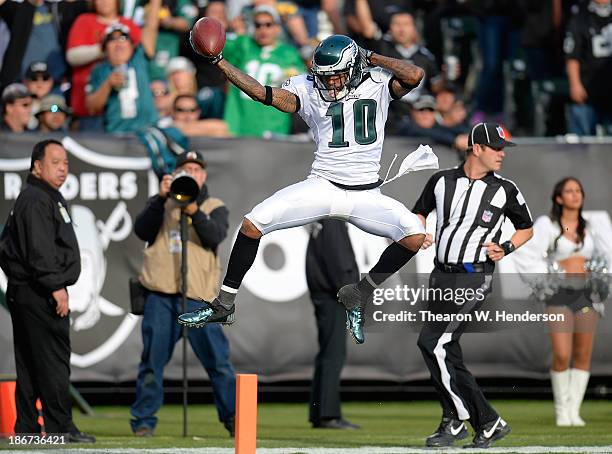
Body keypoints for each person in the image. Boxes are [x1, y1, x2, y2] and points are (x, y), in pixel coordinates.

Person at [178, 33, 427, 347]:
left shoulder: (377, 80)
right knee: (253, 224)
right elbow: (261, 93)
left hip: (366, 195)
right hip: (323, 186)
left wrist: (372, 56)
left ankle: (358, 295)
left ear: (353, 67)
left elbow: (415, 75)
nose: (330, 84)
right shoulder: (308, 88)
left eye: (337, 76)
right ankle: (224, 304)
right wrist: (219, 62)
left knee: (414, 235)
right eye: (325, 77)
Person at [412, 122, 534, 448]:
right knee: (443, 348)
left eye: (503, 148)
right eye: (496, 148)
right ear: (476, 148)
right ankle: (452, 422)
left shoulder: (505, 189)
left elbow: (526, 227)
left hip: (474, 275)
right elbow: (419, 213)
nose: (502, 154)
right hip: (442, 275)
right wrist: (420, 231)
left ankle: (487, 420)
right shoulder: (440, 181)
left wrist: (506, 247)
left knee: (434, 344)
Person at [130, 150, 237, 437]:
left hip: (200, 299)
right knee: (152, 363)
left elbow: (215, 235)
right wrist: (161, 198)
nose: (191, 173)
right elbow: (141, 230)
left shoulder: (214, 206)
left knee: (219, 363)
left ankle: (234, 419)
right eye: (185, 169)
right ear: (175, 175)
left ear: (203, 176)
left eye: (196, 169)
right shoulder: (161, 204)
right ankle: (143, 421)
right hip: (161, 296)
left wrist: (193, 210)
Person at [0, 140, 95, 443]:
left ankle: (27, 429)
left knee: (30, 362)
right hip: (39, 292)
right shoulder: (37, 198)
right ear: (37, 166)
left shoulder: (43, 196)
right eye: (55, 162)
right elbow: (39, 251)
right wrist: (55, 286)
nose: (63, 168)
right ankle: (60, 428)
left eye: (66, 162)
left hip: (27, 291)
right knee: (52, 360)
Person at [515, 177, 611, 426]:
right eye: (569, 191)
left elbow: (606, 256)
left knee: (582, 353)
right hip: (558, 294)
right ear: (559, 198)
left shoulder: (592, 226)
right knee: (562, 353)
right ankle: (561, 411)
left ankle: (573, 412)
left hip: (586, 294)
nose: (575, 195)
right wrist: (558, 268)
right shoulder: (548, 225)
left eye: (578, 190)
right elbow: (527, 256)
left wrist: (596, 273)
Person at [306, 220, 360, 430]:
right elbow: (340, 260)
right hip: (333, 295)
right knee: (334, 355)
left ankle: (319, 412)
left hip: (323, 293)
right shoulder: (333, 221)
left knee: (326, 354)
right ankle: (328, 414)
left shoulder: (321, 220)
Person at [222, 5, 306, 137]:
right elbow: (217, 48)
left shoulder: (289, 53)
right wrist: (234, 28)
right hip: (240, 121)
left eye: (268, 24)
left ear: (277, 27)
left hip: (274, 123)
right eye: (258, 25)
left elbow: (301, 88)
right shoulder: (244, 45)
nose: (263, 29)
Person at [65, 0, 142, 131]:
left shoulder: (128, 24)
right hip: (88, 109)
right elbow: (72, 56)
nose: (104, 2)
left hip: (124, 112)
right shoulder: (84, 21)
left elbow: (139, 51)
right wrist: (103, 50)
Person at [85, 17, 160, 133]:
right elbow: (92, 107)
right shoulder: (99, 70)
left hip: (148, 130)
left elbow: (151, 27)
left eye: (123, 38)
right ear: (105, 48)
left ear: (131, 45)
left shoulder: (140, 59)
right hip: (116, 135)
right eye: (111, 39)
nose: (118, 43)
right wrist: (108, 84)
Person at [564, 0, 612, 135]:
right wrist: (575, 83)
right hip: (589, 88)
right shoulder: (581, 14)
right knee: (582, 142)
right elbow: (572, 55)